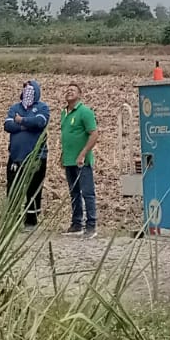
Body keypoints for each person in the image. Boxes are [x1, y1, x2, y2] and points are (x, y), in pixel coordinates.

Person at [3, 79, 50, 229]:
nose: (27, 92)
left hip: (36, 158)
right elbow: (8, 125)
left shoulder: (42, 107)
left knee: (33, 189)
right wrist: (24, 126)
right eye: (25, 89)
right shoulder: (15, 107)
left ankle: (31, 221)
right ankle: (12, 220)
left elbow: (39, 122)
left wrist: (21, 120)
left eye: (30, 89)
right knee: (13, 189)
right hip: (16, 157)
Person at [59, 82, 99, 237]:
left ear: (79, 95)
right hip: (69, 160)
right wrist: (63, 155)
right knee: (74, 193)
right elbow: (67, 136)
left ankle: (91, 226)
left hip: (82, 161)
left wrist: (83, 154)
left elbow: (94, 134)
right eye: (67, 90)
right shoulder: (64, 113)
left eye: (73, 90)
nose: (69, 92)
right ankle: (76, 224)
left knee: (87, 193)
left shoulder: (85, 112)